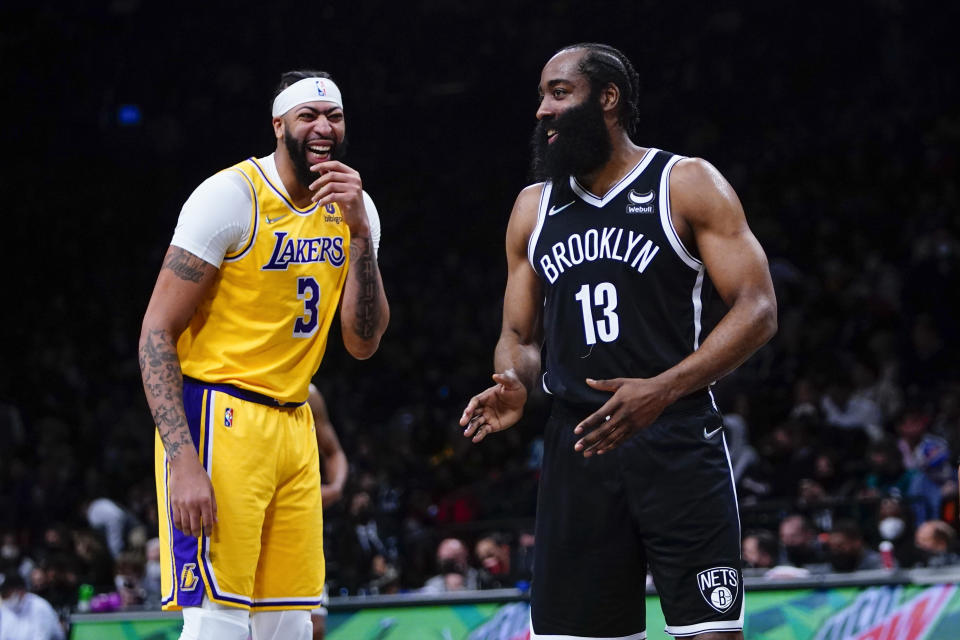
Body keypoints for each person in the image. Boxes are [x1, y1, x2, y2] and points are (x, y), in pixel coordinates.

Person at [461, 43, 777, 639]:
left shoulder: (684, 182)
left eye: (559, 93)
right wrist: (514, 380)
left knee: (711, 634)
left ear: (608, 99)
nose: (542, 111)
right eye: (540, 97)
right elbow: (517, 335)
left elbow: (758, 308)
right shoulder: (533, 208)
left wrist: (662, 389)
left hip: (677, 440)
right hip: (578, 448)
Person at [139, 70, 389, 640]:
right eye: (309, 116)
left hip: (294, 421)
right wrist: (181, 460)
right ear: (280, 125)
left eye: (335, 116)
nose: (324, 128)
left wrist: (360, 237)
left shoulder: (356, 208)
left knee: (291, 625)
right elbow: (156, 330)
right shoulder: (230, 195)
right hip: (218, 417)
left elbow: (362, 341)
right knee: (218, 622)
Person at [307, 384, 348, 640]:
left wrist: (334, 488)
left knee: (314, 626)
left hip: (298, 522)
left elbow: (334, 452)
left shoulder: (308, 393)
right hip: (246, 514)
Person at [0, 571, 65, 640]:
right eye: (3, 595)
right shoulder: (6, 609)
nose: (5, 598)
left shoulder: (39, 607)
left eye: (7, 594)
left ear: (20, 591)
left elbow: (41, 637)